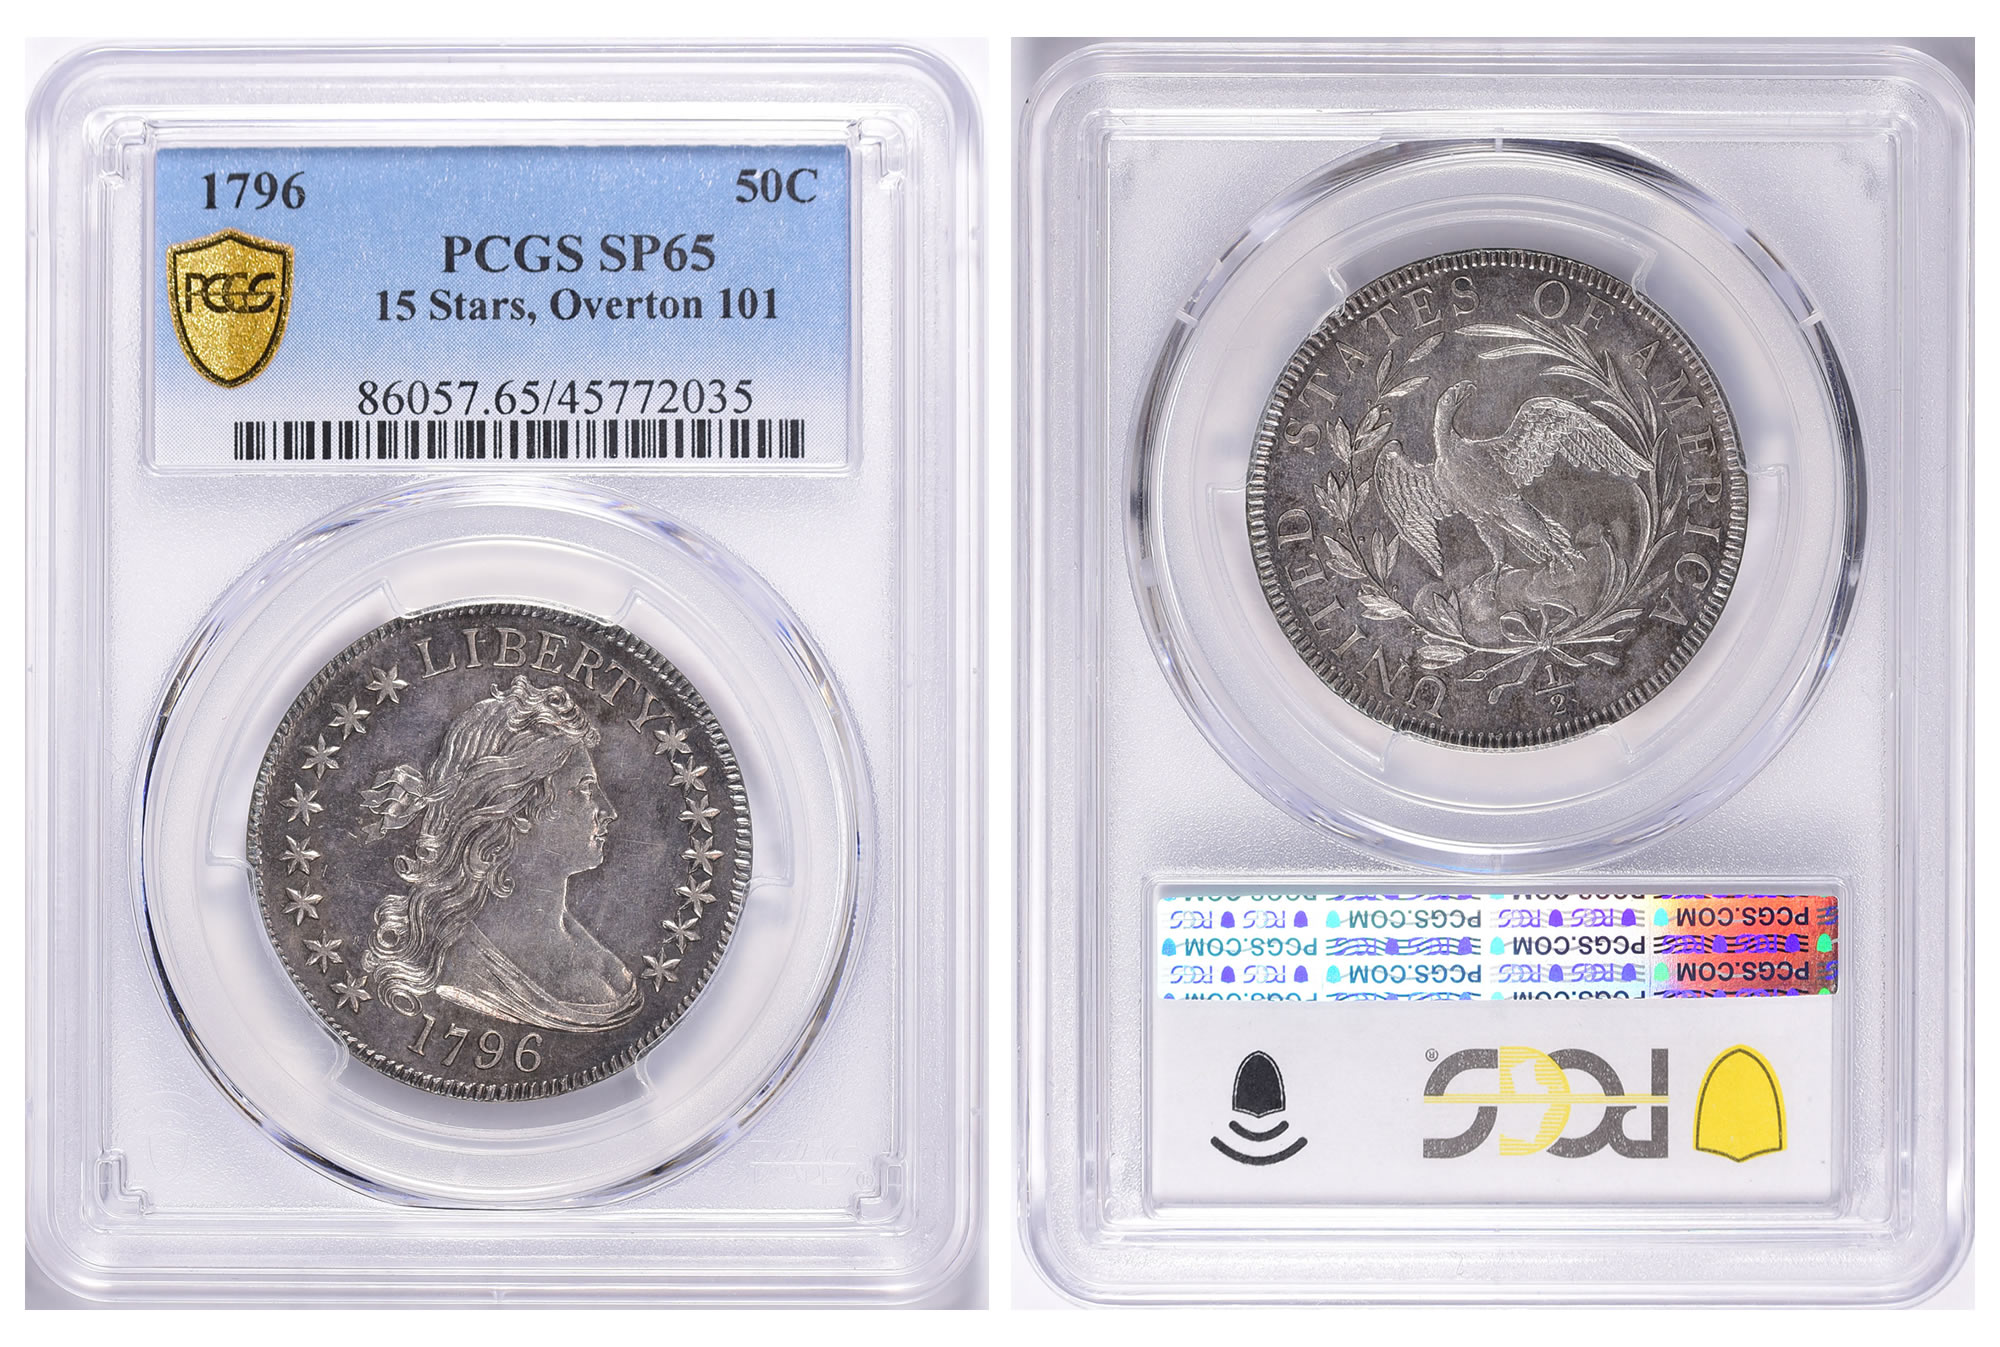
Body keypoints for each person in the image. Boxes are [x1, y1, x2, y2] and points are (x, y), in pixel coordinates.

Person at [359, 675, 639, 1032]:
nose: (608, 811)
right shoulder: (461, 972)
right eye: (584, 790)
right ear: (517, 808)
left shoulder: (590, 954)